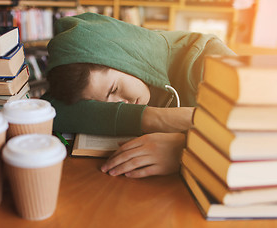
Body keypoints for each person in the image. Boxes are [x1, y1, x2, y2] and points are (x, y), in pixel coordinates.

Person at [41, 12, 236, 178]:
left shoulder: (210, 59)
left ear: (124, 56)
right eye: (102, 104)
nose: (121, 104)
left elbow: (263, 130)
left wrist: (186, 150)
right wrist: (154, 118)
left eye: (114, 90)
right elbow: (48, 107)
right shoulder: (115, 77)